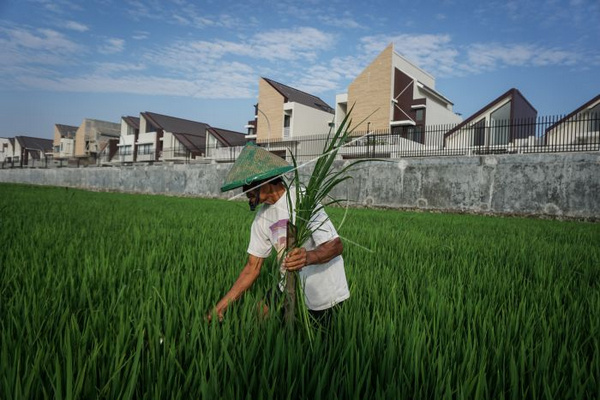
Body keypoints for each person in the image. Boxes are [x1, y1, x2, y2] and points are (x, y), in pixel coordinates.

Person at [208, 143, 350, 324]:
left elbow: (336, 246)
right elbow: (252, 268)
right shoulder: (261, 218)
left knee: (316, 345)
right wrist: (220, 307)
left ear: (264, 182)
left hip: (324, 291)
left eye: (248, 187)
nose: (245, 193)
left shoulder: (302, 198)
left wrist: (307, 257)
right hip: (288, 283)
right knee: (260, 315)